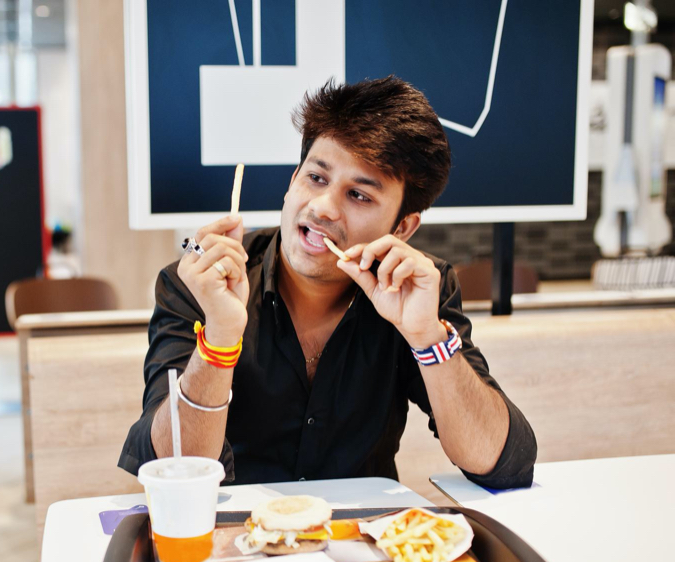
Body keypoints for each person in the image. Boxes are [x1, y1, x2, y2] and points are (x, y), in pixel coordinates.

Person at [119, 77, 536, 489]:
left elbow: (499, 463)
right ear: (292, 181)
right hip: (232, 543)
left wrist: (427, 338)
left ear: (403, 226)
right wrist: (220, 338)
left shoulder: (418, 291)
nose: (323, 208)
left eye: (359, 195)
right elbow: (172, 469)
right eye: (316, 178)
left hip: (359, 546)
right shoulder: (199, 284)